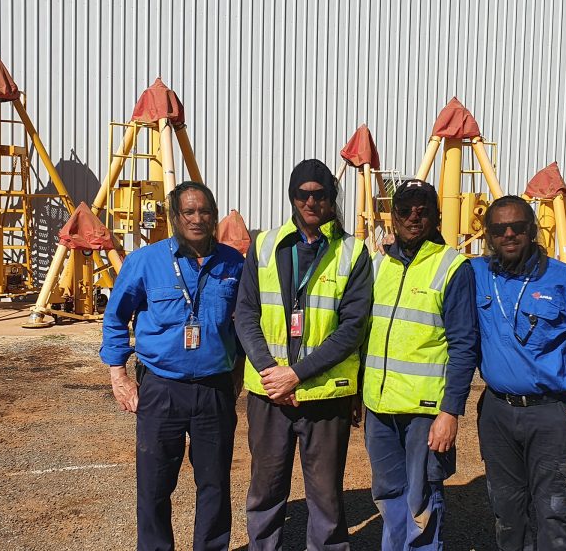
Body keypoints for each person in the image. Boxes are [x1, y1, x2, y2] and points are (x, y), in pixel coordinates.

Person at [235, 159, 373, 551]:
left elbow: (352, 328)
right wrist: (271, 371)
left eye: (320, 194)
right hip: (269, 394)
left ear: (332, 197)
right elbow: (245, 313)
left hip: (325, 395)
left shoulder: (353, 252)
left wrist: (295, 375)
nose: (311, 202)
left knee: (326, 498)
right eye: (303, 194)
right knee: (265, 490)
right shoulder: (264, 245)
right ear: (292, 197)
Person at [100, 181, 245, 551]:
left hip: (214, 388)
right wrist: (119, 376)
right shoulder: (145, 262)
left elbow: (245, 323)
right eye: (189, 212)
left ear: (214, 216)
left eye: (205, 212)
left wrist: (238, 376)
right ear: (175, 217)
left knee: (214, 484)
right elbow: (116, 318)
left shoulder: (234, 264)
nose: (198, 219)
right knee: (154, 484)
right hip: (161, 388)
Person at [471, 195, 566, 551]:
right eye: (499, 229)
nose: (509, 234)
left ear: (533, 231)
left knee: (553, 513)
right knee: (506, 510)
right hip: (497, 412)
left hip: (550, 413)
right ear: (488, 234)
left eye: (518, 227)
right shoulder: (476, 274)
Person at [362, 179, 478, 550]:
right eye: (405, 209)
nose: (414, 217)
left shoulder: (452, 267)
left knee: (422, 498)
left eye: (423, 210)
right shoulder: (380, 266)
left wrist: (450, 412)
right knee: (387, 494)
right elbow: (365, 334)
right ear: (393, 216)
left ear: (436, 216)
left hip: (424, 411)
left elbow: (464, 346)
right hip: (379, 408)